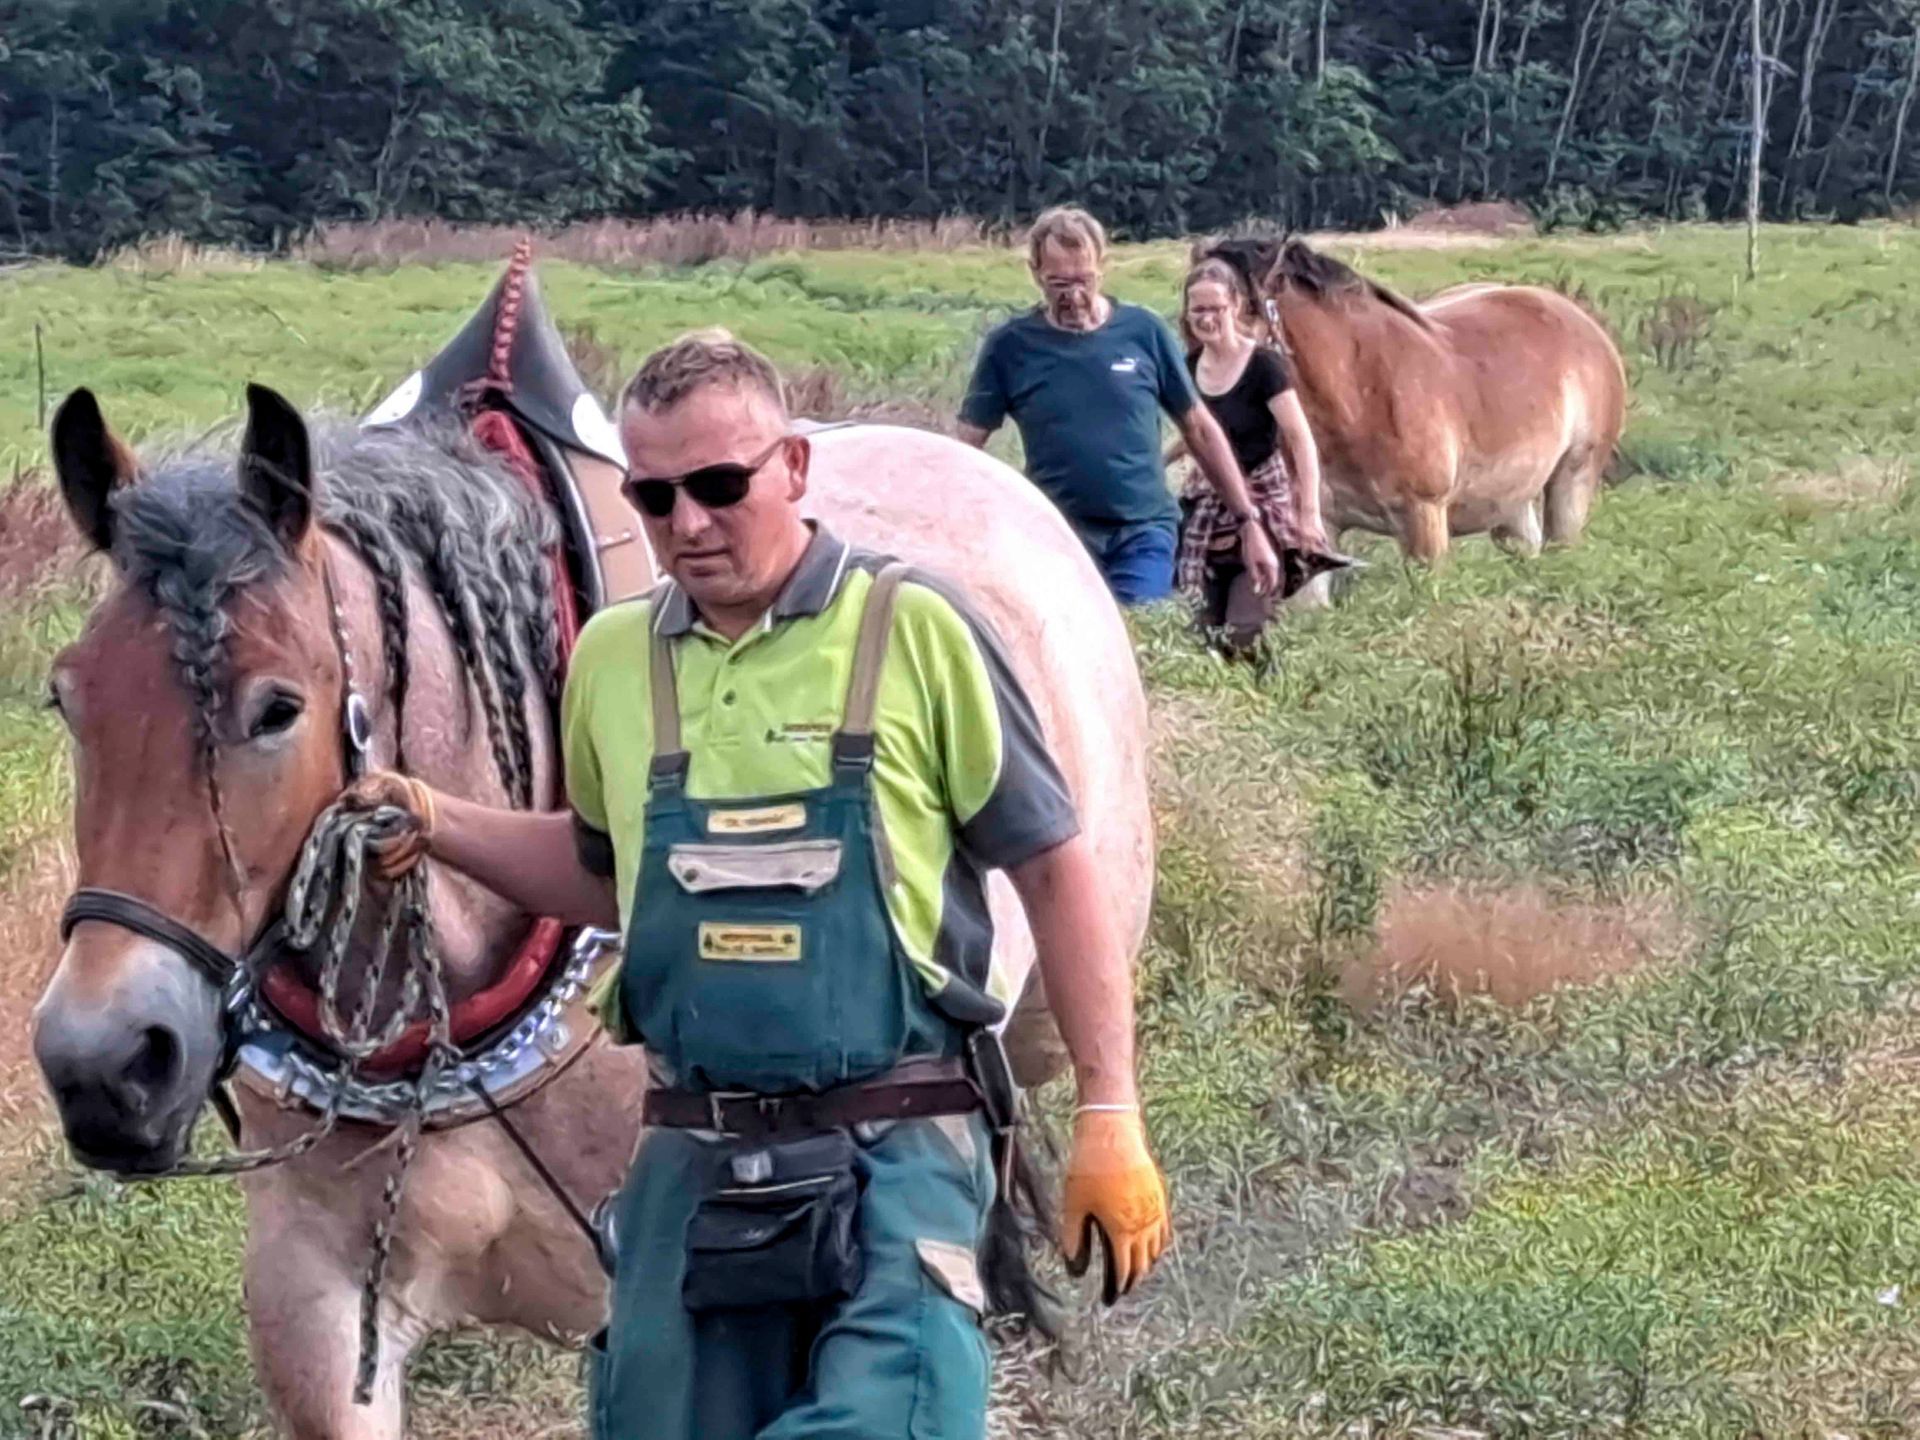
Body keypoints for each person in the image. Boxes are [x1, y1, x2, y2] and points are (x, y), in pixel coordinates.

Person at [341, 330, 1172, 1440]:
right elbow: (608, 876)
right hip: (692, 1159)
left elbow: (1053, 870)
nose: (688, 523)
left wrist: (1111, 1110)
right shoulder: (614, 661)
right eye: (655, 497)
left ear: (794, 467)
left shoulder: (915, 631)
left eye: (720, 486)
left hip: (897, 1145)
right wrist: (444, 825)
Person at [957, 205, 1278, 607]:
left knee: (1138, 626)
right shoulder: (1011, 347)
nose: (1073, 296)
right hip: (1058, 533)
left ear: (1103, 267)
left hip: (1143, 530)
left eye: (1083, 280)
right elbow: (966, 447)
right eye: (1058, 284)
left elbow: (1199, 428)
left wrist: (1248, 520)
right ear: (1035, 273)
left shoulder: (1143, 332)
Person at [1173, 258, 1335, 658]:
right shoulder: (1187, 369)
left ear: (1235, 306)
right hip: (1208, 508)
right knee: (1200, 633)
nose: (1207, 318)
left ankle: (1265, 681)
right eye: (1198, 310)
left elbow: (1300, 439)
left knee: (1245, 631)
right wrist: (1155, 466)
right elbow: (1195, 434)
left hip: (1263, 505)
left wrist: (1309, 513)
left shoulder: (1264, 366)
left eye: (1215, 308)